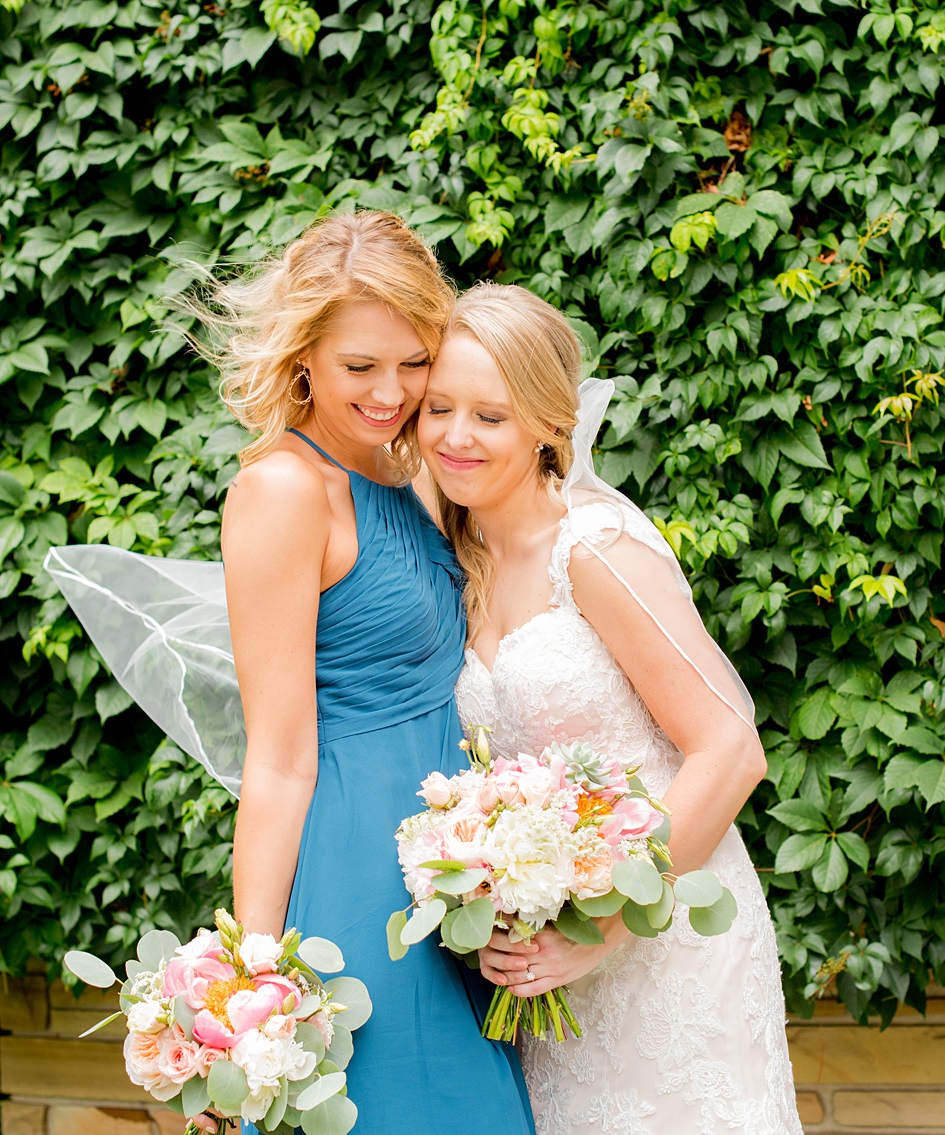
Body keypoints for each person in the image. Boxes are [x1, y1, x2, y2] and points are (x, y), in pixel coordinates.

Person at [55, 212, 535, 1134]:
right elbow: (276, 758)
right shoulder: (282, 490)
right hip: (361, 868)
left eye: (413, 360)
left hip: (454, 870)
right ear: (304, 353)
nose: (392, 391)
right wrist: (256, 980)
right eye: (361, 367)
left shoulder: (410, 471)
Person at [418, 282, 802, 1134]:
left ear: (550, 424)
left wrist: (606, 933)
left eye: (491, 414)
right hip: (548, 961)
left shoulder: (592, 549)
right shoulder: (456, 556)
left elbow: (731, 750)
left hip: (667, 947)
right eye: (438, 407)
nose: (454, 436)